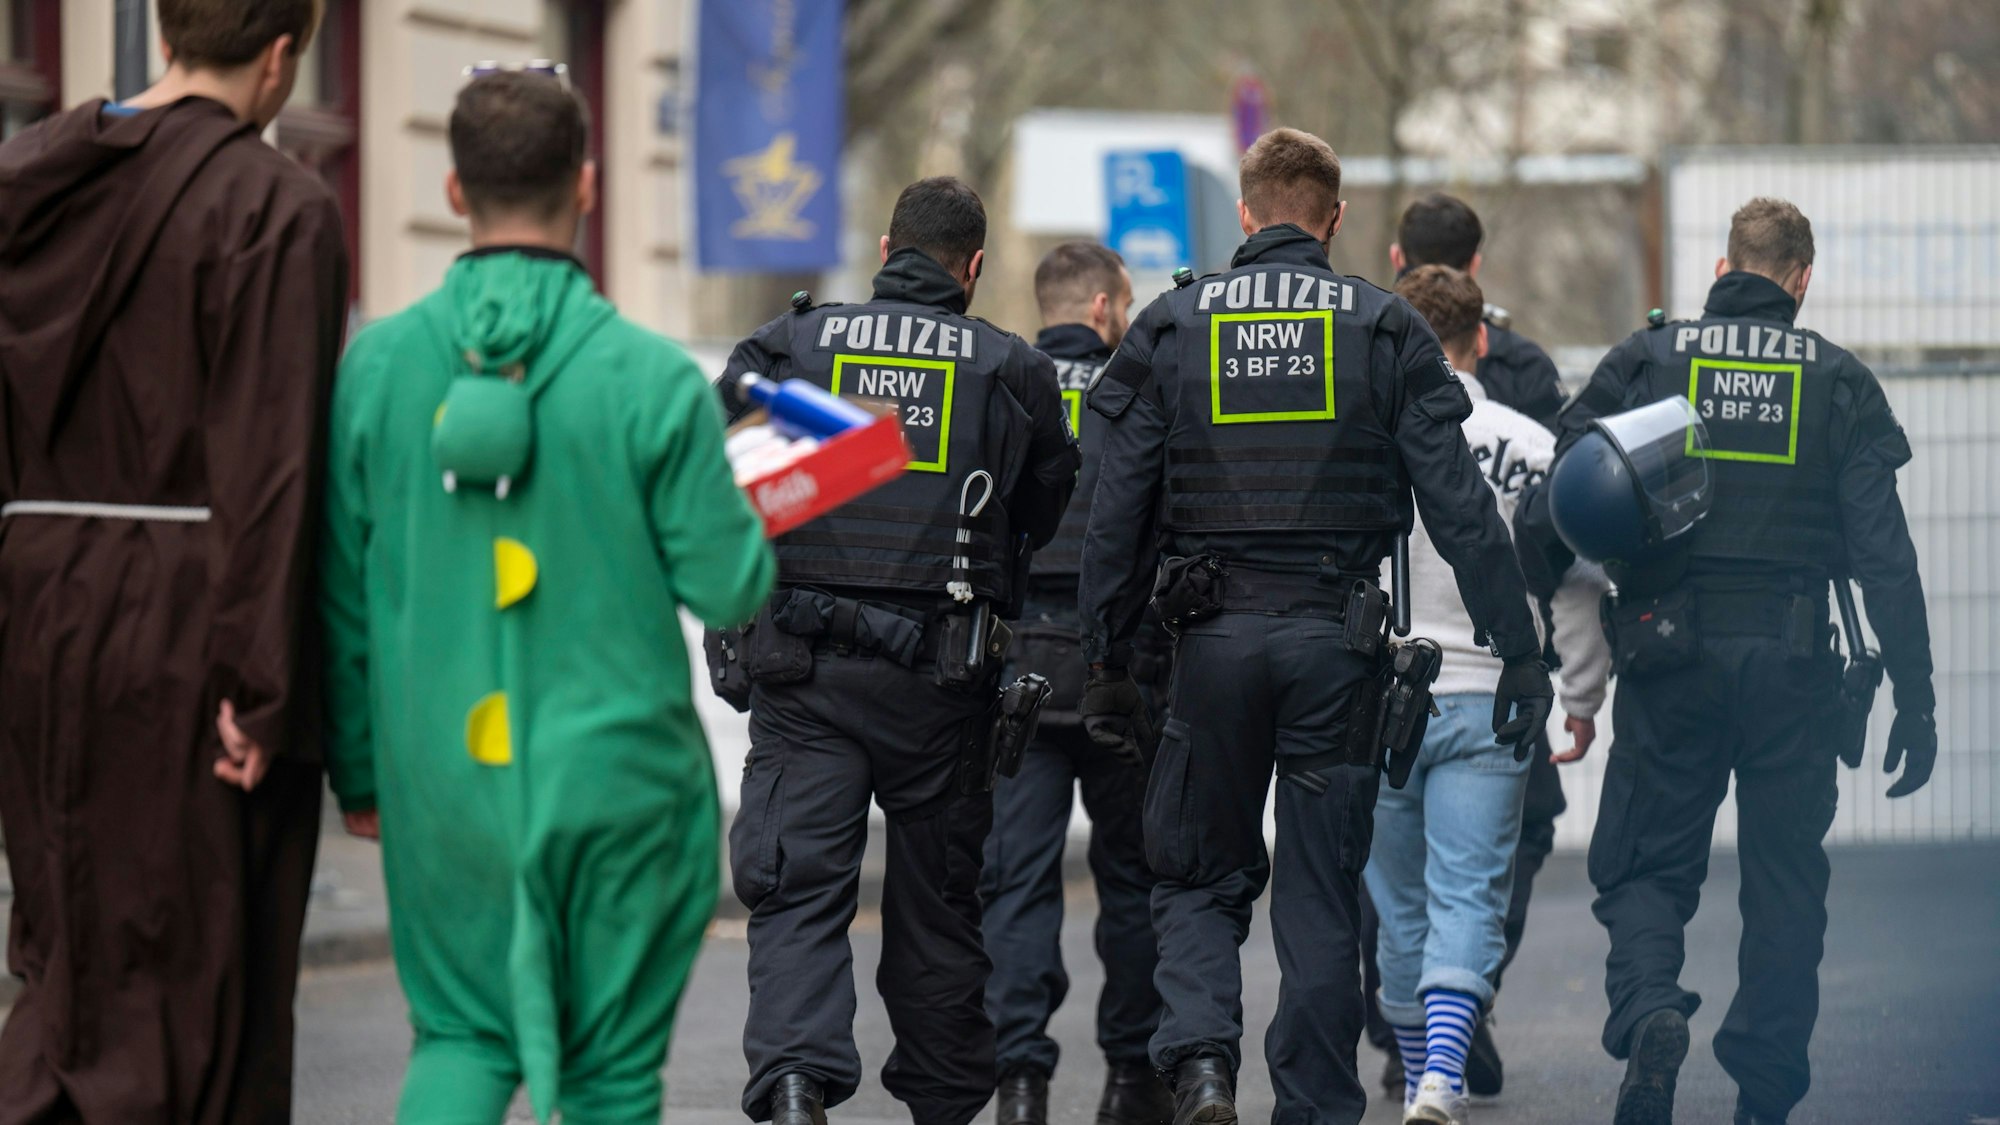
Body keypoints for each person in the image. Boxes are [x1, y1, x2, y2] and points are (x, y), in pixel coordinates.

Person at [319, 71, 775, 1123]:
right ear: (586, 185)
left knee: (460, 1039)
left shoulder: (375, 371)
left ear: (451, 189)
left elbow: (339, 598)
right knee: (610, 1078)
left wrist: (360, 774)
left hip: (442, 785)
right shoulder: (652, 381)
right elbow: (729, 582)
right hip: (621, 786)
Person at [1077, 127, 1552, 1125]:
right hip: (1337, 650)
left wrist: (1105, 655)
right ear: (1333, 219)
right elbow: (1458, 507)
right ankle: (1313, 1107)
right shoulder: (1383, 329)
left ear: (1245, 214)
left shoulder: (1170, 325)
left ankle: (1203, 1066)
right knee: (1320, 900)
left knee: (1196, 874)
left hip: (1206, 648)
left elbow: (1112, 507)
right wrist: (1517, 647)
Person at [0, 1, 347, 1119]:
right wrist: (262, 686)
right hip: (191, 623)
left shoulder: (22, 185)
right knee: (204, 982)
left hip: (38, 610)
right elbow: (270, 460)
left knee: (67, 963)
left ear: (162, 32)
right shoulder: (276, 204)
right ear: (282, 54)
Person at [1525, 198, 1936, 1125]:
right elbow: (1886, 558)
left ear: (1721, 272)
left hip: (1671, 660)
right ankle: (1762, 1097)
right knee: (1786, 888)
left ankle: (1652, 1012)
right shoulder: (1838, 381)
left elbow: (1558, 497)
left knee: (1641, 869)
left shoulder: (1650, 358)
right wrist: (1919, 697)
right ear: (1801, 281)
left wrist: (1528, 652)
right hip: (1794, 671)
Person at [716, 177, 1079, 1125]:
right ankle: (944, 1105)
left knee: (796, 890)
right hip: (941, 685)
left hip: (804, 675)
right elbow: (1043, 511)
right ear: (974, 268)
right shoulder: (1010, 368)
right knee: (938, 912)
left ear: (885, 249)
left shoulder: (793, 345)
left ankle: (796, 1087)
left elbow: (720, 482)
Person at [1362, 265, 1610, 1125]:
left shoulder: (1369, 437)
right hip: (1493, 699)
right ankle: (1441, 1078)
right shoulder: (1533, 446)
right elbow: (1575, 579)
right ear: (1481, 339)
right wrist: (1580, 694)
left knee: (1396, 911)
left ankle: (1420, 1060)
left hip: (1383, 701)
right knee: (1468, 895)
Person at [981, 242, 1171, 1125]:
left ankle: (1020, 1081)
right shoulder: (1140, 390)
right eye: (1125, 305)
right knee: (1134, 878)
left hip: (1014, 667)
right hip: (1118, 670)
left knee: (1014, 882)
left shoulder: (997, 386)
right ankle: (1132, 1079)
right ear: (1102, 308)